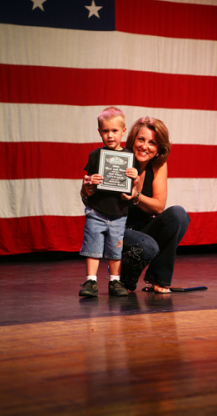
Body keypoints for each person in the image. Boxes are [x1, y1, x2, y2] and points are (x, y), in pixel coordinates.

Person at [120, 116, 190, 293]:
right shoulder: (119, 160)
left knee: (178, 215)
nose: (145, 146)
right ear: (133, 140)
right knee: (146, 244)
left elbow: (159, 207)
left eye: (152, 142)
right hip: (118, 230)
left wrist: (135, 196)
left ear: (158, 148)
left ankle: (158, 279)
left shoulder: (158, 165)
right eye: (141, 139)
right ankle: (124, 280)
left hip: (144, 230)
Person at [79, 107, 138, 297]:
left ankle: (114, 281)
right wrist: (90, 181)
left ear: (123, 131)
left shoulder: (129, 157)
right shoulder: (96, 156)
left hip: (119, 213)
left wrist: (135, 177)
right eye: (105, 131)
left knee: (115, 249)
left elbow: (134, 186)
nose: (110, 135)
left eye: (114, 131)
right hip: (96, 211)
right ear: (99, 132)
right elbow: (87, 183)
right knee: (93, 247)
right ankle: (90, 281)